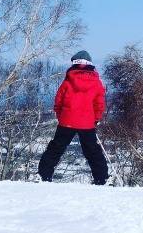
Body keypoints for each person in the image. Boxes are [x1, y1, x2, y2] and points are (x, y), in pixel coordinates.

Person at [38, 50, 108, 185]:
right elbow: (99, 104)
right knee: (93, 151)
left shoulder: (67, 81)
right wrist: (96, 119)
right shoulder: (96, 82)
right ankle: (102, 178)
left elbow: (58, 101)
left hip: (67, 121)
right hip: (87, 123)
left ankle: (43, 175)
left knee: (56, 148)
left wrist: (61, 116)